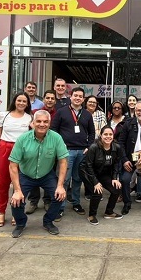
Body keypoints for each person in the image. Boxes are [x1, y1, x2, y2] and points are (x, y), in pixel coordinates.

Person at [8, 110, 69, 237]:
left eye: (45, 121)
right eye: (39, 121)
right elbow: (13, 165)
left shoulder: (56, 138)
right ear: (33, 123)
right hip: (26, 175)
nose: (42, 124)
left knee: (60, 196)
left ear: (49, 123)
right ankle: (20, 223)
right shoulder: (23, 139)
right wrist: (17, 190)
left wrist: (60, 185)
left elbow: (63, 162)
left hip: (46, 175)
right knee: (16, 201)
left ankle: (48, 222)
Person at [50, 86, 95, 218]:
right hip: (66, 151)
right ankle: (60, 206)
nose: (78, 98)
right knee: (63, 179)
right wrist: (59, 146)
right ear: (71, 96)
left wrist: (89, 145)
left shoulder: (87, 114)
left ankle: (76, 202)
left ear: (83, 99)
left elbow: (92, 132)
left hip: (82, 151)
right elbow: (53, 130)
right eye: (75, 95)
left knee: (77, 179)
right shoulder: (61, 111)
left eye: (80, 96)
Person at [0, 93, 32, 227]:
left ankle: (17, 213)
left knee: (20, 184)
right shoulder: (3, 115)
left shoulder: (30, 118)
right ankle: (1, 212)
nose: (21, 103)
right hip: (4, 149)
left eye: (24, 101)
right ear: (14, 101)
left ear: (27, 104)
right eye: (19, 100)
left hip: (22, 151)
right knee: (3, 183)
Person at [80, 125, 123, 224]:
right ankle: (91, 215)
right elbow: (88, 166)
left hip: (102, 172)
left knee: (116, 189)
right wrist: (95, 182)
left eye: (110, 134)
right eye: (105, 134)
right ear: (101, 135)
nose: (108, 137)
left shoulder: (116, 147)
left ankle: (109, 212)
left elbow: (116, 163)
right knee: (97, 192)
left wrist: (114, 178)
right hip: (87, 172)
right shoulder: (94, 147)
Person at [25, 88, 58, 215]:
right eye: (47, 98)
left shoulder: (58, 113)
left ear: (55, 101)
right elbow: (30, 127)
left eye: (52, 98)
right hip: (34, 148)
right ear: (43, 99)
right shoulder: (34, 112)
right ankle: (33, 201)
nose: (50, 100)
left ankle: (47, 200)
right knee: (33, 174)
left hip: (50, 149)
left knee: (49, 175)